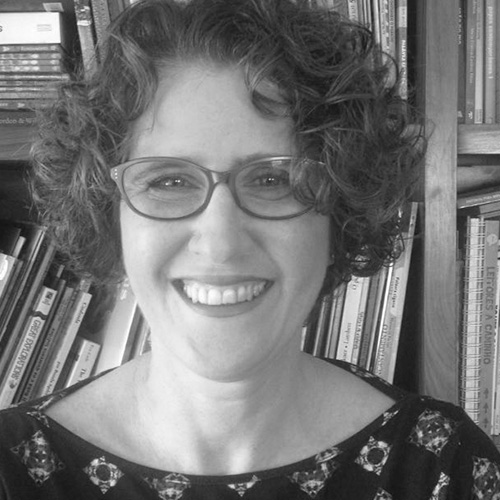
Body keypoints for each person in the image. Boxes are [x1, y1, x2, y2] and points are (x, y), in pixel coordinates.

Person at [0, 0, 499, 498]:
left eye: (273, 179)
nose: (220, 243)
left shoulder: (445, 469)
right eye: (169, 181)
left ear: (340, 214)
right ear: (110, 218)